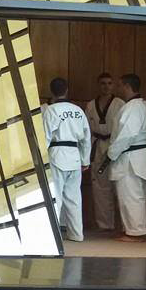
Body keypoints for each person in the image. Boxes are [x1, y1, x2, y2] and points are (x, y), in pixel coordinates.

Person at [106, 73, 146, 242]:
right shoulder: (144, 105)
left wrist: (111, 154)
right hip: (141, 155)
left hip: (131, 157)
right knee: (136, 195)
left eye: (120, 85)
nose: (118, 89)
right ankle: (131, 229)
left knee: (131, 196)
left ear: (127, 86)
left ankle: (135, 232)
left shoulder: (133, 107)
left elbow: (127, 134)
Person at [42, 77, 91, 242]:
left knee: (55, 196)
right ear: (67, 90)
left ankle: (53, 236)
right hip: (74, 155)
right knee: (74, 197)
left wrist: (41, 158)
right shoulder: (78, 110)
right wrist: (85, 160)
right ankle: (77, 234)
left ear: (52, 91)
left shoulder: (51, 110)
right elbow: (86, 138)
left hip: (57, 153)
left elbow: (46, 135)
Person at [85, 73, 125, 231]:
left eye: (109, 83)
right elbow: (86, 129)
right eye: (103, 83)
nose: (106, 86)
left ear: (113, 85)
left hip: (115, 145)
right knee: (100, 187)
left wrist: (117, 147)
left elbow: (124, 128)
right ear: (98, 85)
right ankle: (105, 225)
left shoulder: (120, 104)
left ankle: (125, 225)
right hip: (97, 145)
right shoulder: (90, 105)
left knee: (120, 185)